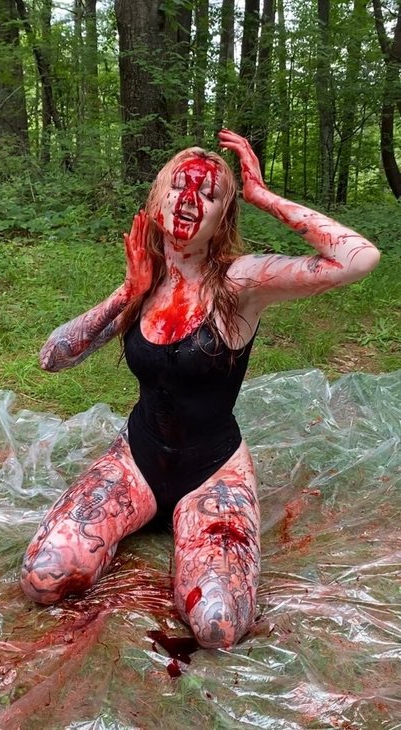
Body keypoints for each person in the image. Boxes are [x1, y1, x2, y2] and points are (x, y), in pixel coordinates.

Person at [20, 129, 380, 650]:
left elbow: (358, 260)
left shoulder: (240, 283)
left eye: (208, 195)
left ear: (222, 218)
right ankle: (138, 518)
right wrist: (127, 293)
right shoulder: (147, 281)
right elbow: (52, 358)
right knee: (43, 578)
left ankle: (190, 530)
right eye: (177, 187)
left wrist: (263, 197)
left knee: (218, 625)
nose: (189, 199)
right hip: (136, 460)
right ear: (157, 201)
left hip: (213, 474)